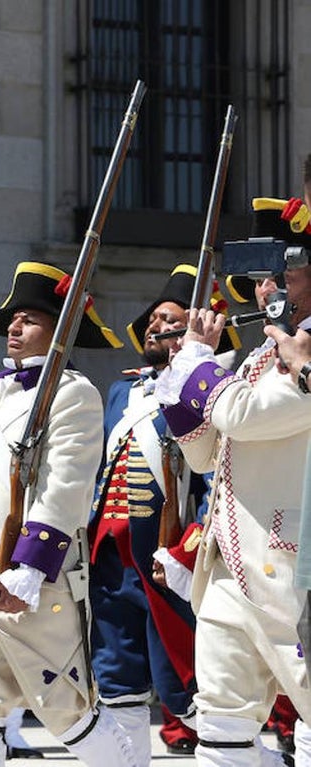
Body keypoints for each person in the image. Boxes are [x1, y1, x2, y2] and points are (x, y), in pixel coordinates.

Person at [0, 261, 135, 765]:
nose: (15, 327)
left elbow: (67, 486)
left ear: (60, 331)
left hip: (31, 575)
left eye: (30, 319)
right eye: (14, 319)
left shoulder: (74, 392)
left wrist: (31, 567)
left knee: (67, 710)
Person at [154, 197, 311, 765]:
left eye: (282, 273)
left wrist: (198, 365)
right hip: (227, 564)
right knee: (221, 719)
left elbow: (245, 416)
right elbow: (205, 456)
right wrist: (182, 380)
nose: (266, 289)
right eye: (261, 277)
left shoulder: (305, 351)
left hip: (289, 568)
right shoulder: (257, 359)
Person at [89, 265, 240, 763]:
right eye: (155, 319)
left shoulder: (216, 389)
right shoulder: (123, 391)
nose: (156, 327)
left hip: (165, 556)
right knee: (117, 679)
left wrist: (188, 551)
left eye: (171, 321)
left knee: (184, 685)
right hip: (110, 555)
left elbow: (215, 482)